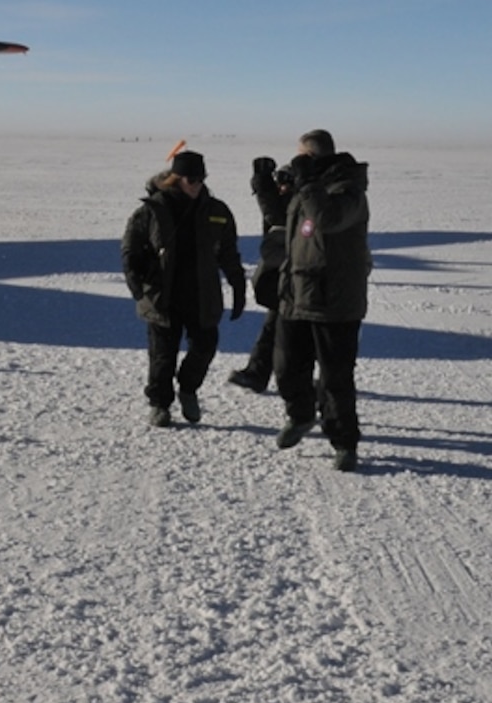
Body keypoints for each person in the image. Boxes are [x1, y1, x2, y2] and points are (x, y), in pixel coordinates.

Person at [120, 149, 246, 427]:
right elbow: (130, 249)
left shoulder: (217, 211)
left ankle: (188, 389)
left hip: (202, 294)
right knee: (162, 356)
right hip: (162, 294)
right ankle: (160, 404)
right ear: (176, 178)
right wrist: (136, 284)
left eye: (201, 179)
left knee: (205, 346)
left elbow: (229, 253)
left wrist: (238, 286)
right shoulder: (152, 210)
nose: (197, 184)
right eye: (191, 179)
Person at [272, 129, 371, 471]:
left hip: (335, 301)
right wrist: (268, 188)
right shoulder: (308, 190)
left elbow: (326, 220)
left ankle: (344, 442)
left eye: (300, 157)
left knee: (335, 378)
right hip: (297, 294)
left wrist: (308, 183)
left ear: (313, 158)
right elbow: (290, 230)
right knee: (286, 368)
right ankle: (300, 415)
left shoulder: (349, 189)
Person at [226, 146, 302, 393]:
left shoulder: (300, 204)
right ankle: (257, 373)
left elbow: (276, 217)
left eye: (285, 182)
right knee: (274, 327)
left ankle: (326, 380)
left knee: (290, 331)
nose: (281, 187)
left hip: (297, 278)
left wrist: (262, 184)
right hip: (287, 276)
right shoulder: (295, 201)